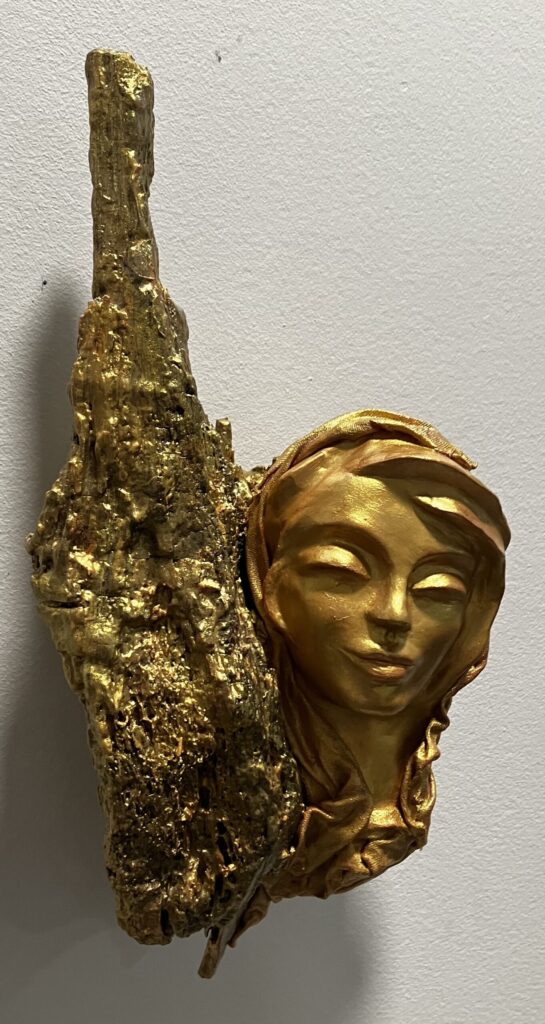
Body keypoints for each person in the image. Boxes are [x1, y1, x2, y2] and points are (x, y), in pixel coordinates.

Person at [230, 410, 510, 941]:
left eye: (438, 590)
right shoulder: (227, 788)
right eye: (343, 571)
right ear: (271, 584)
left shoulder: (403, 811)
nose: (394, 614)